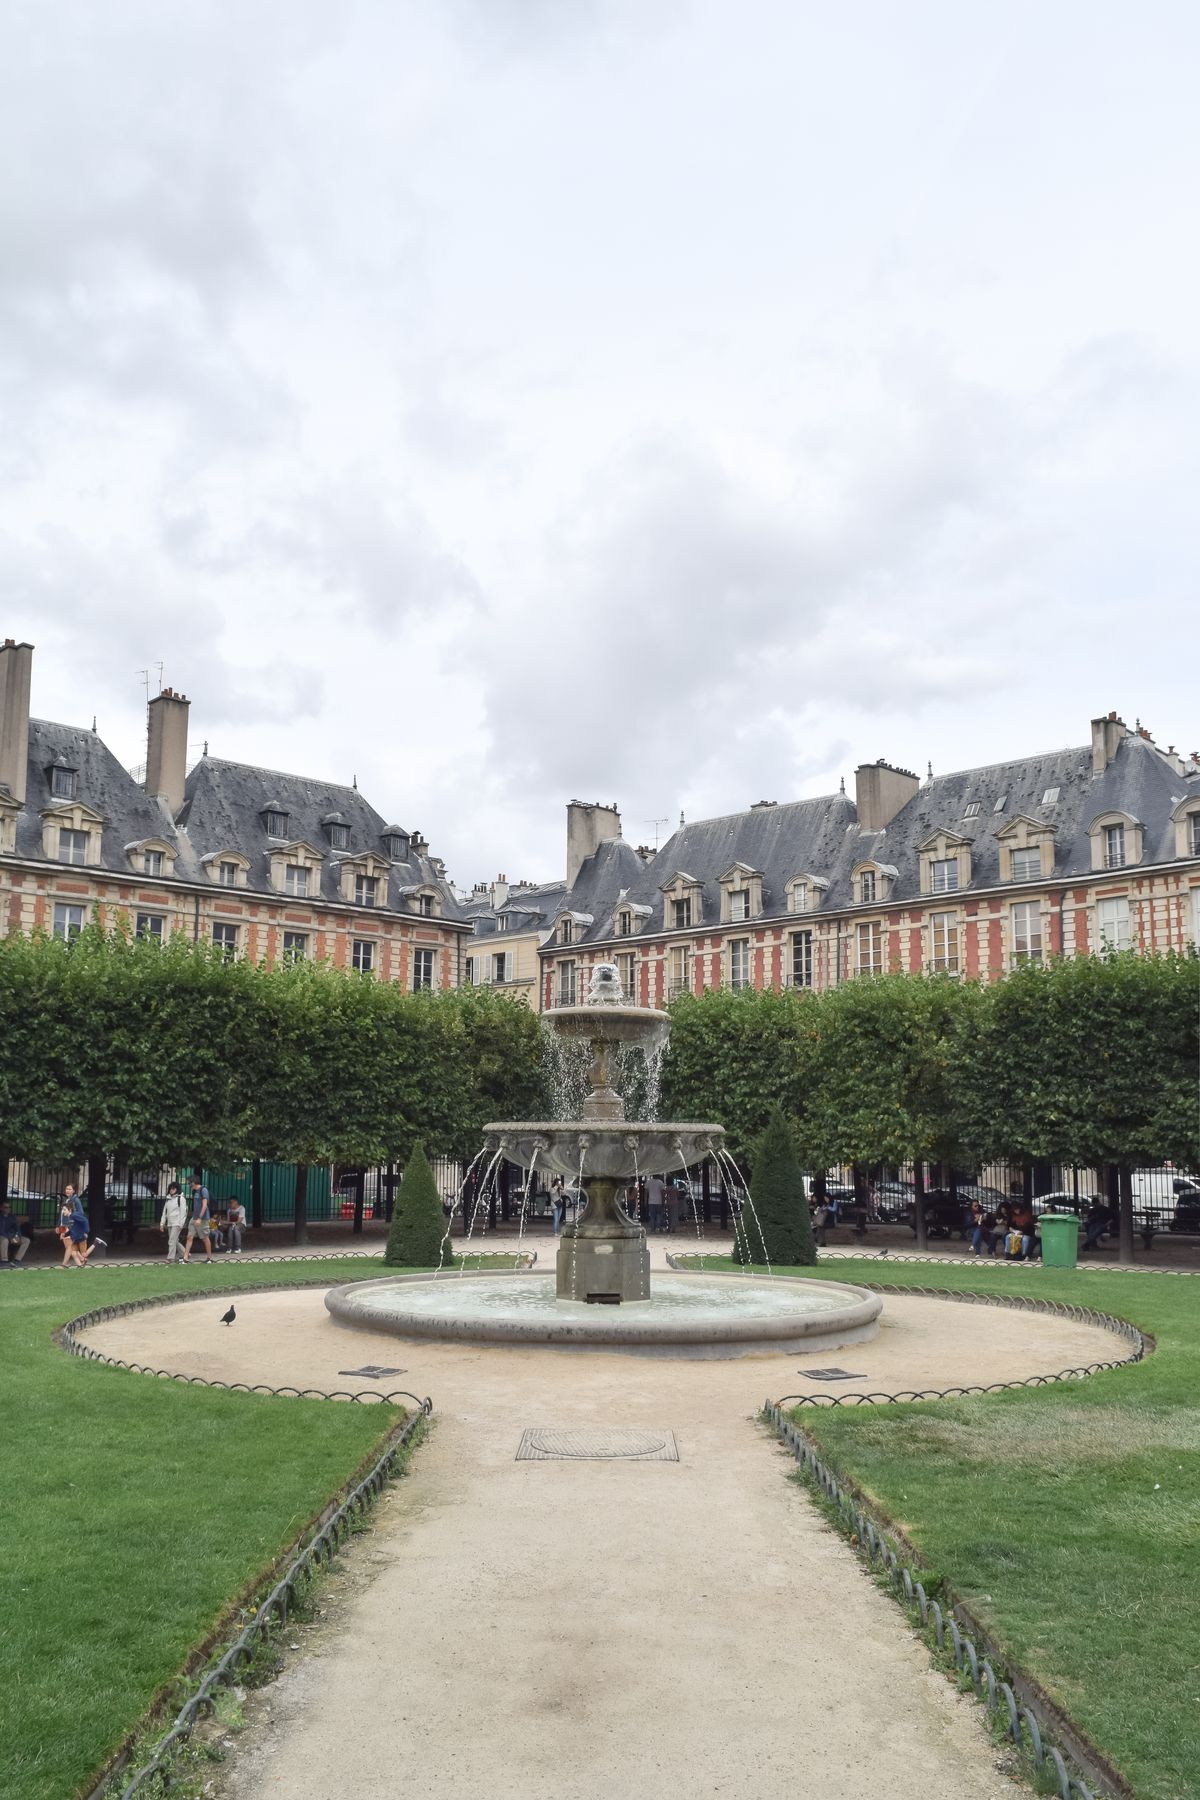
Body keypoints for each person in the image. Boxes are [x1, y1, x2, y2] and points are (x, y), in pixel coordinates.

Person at [183, 1175, 214, 1264]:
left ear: (194, 1182)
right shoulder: (195, 1191)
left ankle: (209, 1258)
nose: (189, 1184)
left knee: (205, 1238)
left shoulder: (203, 1190)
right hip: (194, 1218)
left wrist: (200, 1218)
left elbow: (204, 1205)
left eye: (190, 1182)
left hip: (202, 1219)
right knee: (189, 1237)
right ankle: (185, 1258)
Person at [159, 1182, 188, 1263]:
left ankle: (170, 1258)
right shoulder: (168, 1199)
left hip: (177, 1223)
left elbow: (183, 1212)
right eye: (170, 1188)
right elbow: (164, 1212)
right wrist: (162, 1223)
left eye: (173, 1189)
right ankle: (185, 1253)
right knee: (174, 1240)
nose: (171, 1190)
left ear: (177, 1189)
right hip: (170, 1223)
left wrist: (181, 1223)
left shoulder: (181, 1199)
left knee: (171, 1240)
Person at [0, 1200, 31, 1266]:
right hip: (3, 1237)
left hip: (12, 1237)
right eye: (5, 1207)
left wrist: (18, 1236)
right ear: (1, 1208)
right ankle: (4, 1261)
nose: (8, 1209)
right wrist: (9, 1238)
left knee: (26, 1240)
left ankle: (17, 1260)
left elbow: (17, 1228)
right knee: (4, 1240)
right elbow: (1, 1231)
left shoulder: (12, 1217)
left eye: (9, 1207)